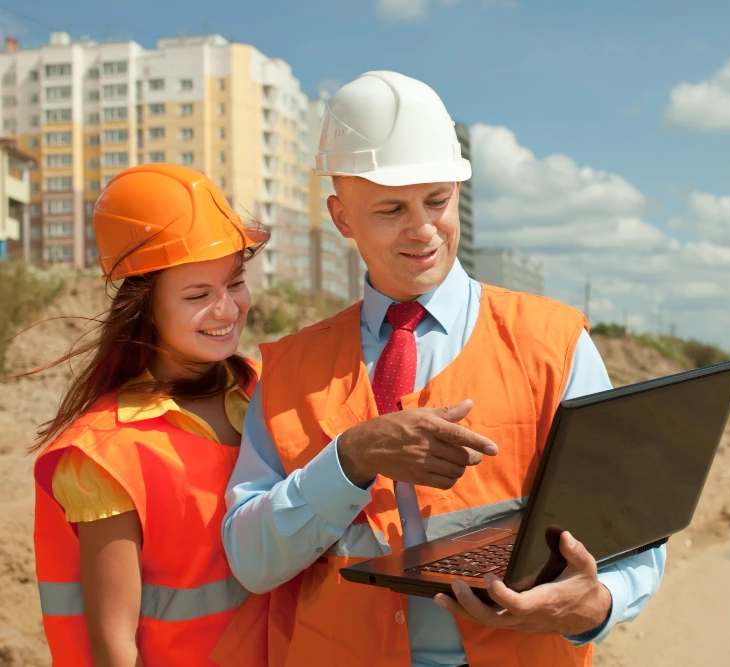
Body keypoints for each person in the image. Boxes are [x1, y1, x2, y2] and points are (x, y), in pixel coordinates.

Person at [220, 71, 665, 667]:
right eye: (390, 209)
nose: (424, 229)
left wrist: (597, 604)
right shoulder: (291, 368)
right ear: (342, 216)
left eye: (438, 200)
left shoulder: (553, 344)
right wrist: (348, 459)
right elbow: (252, 563)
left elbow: (631, 534)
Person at [30, 164, 270, 666]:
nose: (228, 310)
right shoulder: (107, 452)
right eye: (198, 295)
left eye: (236, 282)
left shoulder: (269, 390)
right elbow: (115, 647)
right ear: (144, 308)